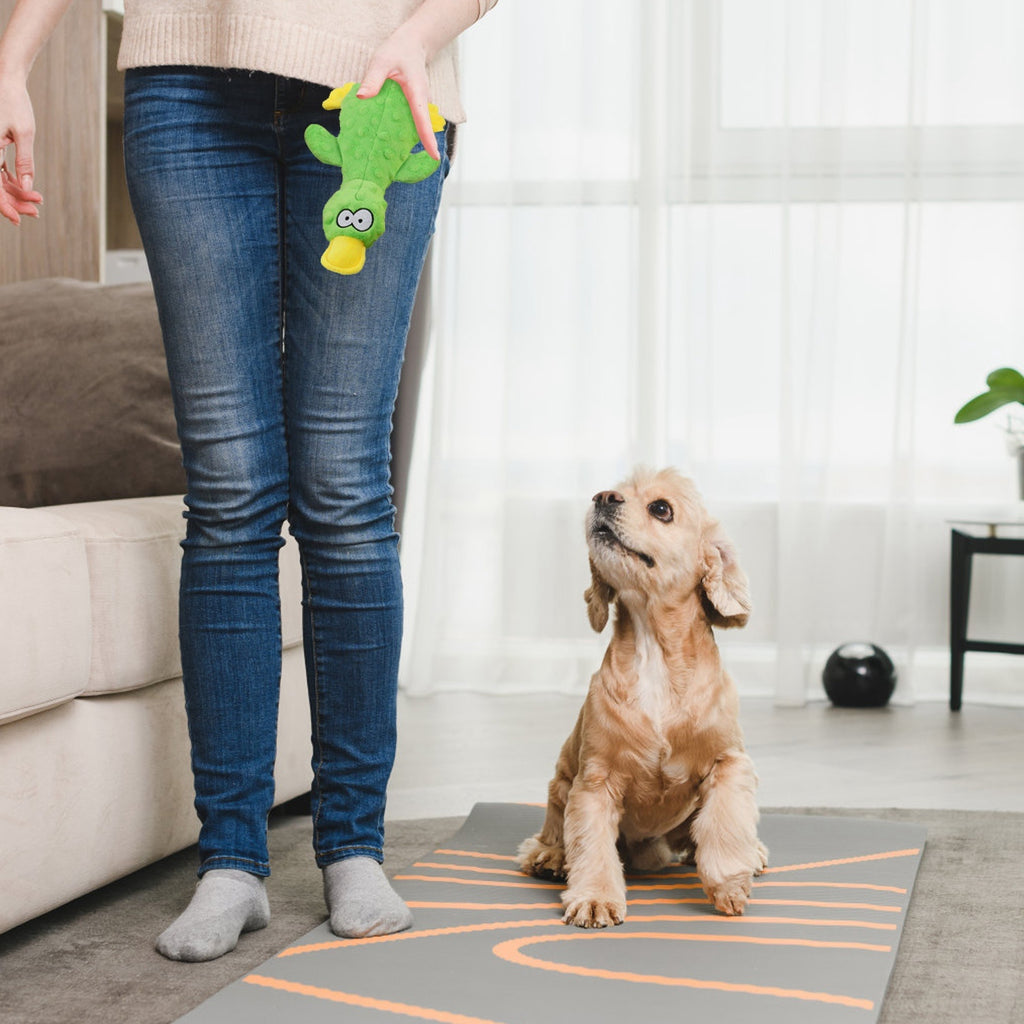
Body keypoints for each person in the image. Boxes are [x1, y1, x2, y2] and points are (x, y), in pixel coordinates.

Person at [0, 0, 496, 962]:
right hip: (186, 85)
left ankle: (353, 844)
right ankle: (231, 860)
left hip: (378, 88)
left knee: (345, 486)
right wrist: (13, 59)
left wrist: (419, 37)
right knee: (228, 489)